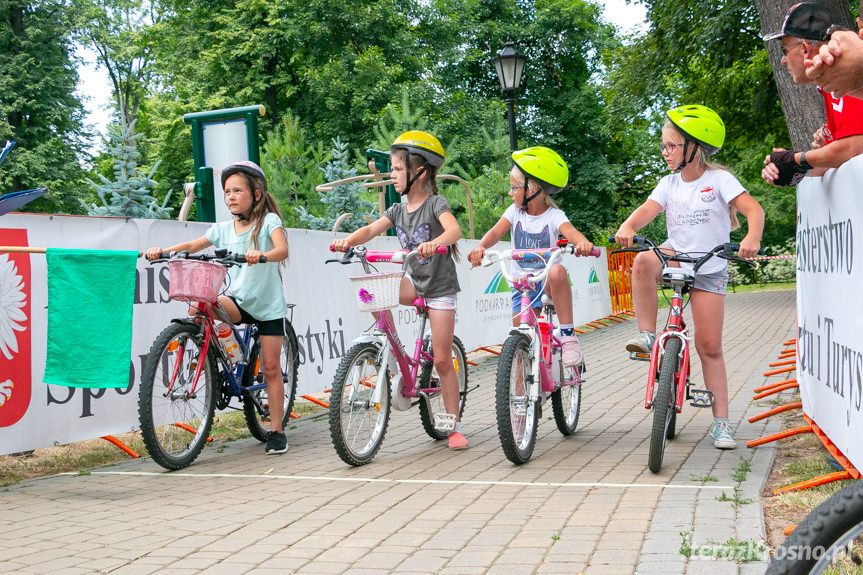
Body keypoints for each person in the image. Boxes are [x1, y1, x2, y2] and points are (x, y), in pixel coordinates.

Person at [614, 105, 764, 450]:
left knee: (709, 346)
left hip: (709, 266)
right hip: (676, 256)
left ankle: (722, 423)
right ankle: (648, 335)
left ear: (693, 148)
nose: (664, 152)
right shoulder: (668, 184)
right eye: (663, 146)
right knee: (641, 262)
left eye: (670, 146)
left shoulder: (719, 180)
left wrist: (751, 238)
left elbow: (754, 210)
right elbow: (645, 213)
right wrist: (627, 226)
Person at [330, 131, 468, 450]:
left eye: (396, 168)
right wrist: (348, 240)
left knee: (444, 360)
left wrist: (435, 243)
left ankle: (454, 425)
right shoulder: (396, 211)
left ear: (418, 171)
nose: (391, 175)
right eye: (391, 169)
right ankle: (394, 354)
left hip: (439, 287)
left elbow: (454, 230)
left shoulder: (435, 203)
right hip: (414, 281)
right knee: (373, 292)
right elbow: (370, 229)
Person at [146, 161, 291, 455]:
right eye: (227, 192)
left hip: (267, 307)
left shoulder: (269, 222)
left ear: (257, 194)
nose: (231, 197)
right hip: (237, 301)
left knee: (272, 369)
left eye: (238, 190)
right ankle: (215, 353)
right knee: (201, 306)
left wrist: (261, 255)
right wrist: (162, 251)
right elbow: (193, 244)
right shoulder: (223, 229)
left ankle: (276, 431)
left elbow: (282, 250)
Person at [468, 146, 594, 367]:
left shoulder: (554, 216)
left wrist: (581, 242)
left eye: (513, 187)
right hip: (522, 285)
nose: (510, 193)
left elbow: (571, 232)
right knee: (519, 345)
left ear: (532, 189)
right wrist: (481, 247)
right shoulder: (514, 212)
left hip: (545, 282)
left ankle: (568, 337)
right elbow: (496, 232)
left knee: (557, 270)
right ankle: (519, 398)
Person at [761, 2, 863, 187]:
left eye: (784, 51)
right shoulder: (830, 89)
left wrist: (796, 159)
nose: (783, 61)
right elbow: (839, 160)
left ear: (805, 49)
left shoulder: (846, 78)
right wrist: (790, 169)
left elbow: (854, 148)